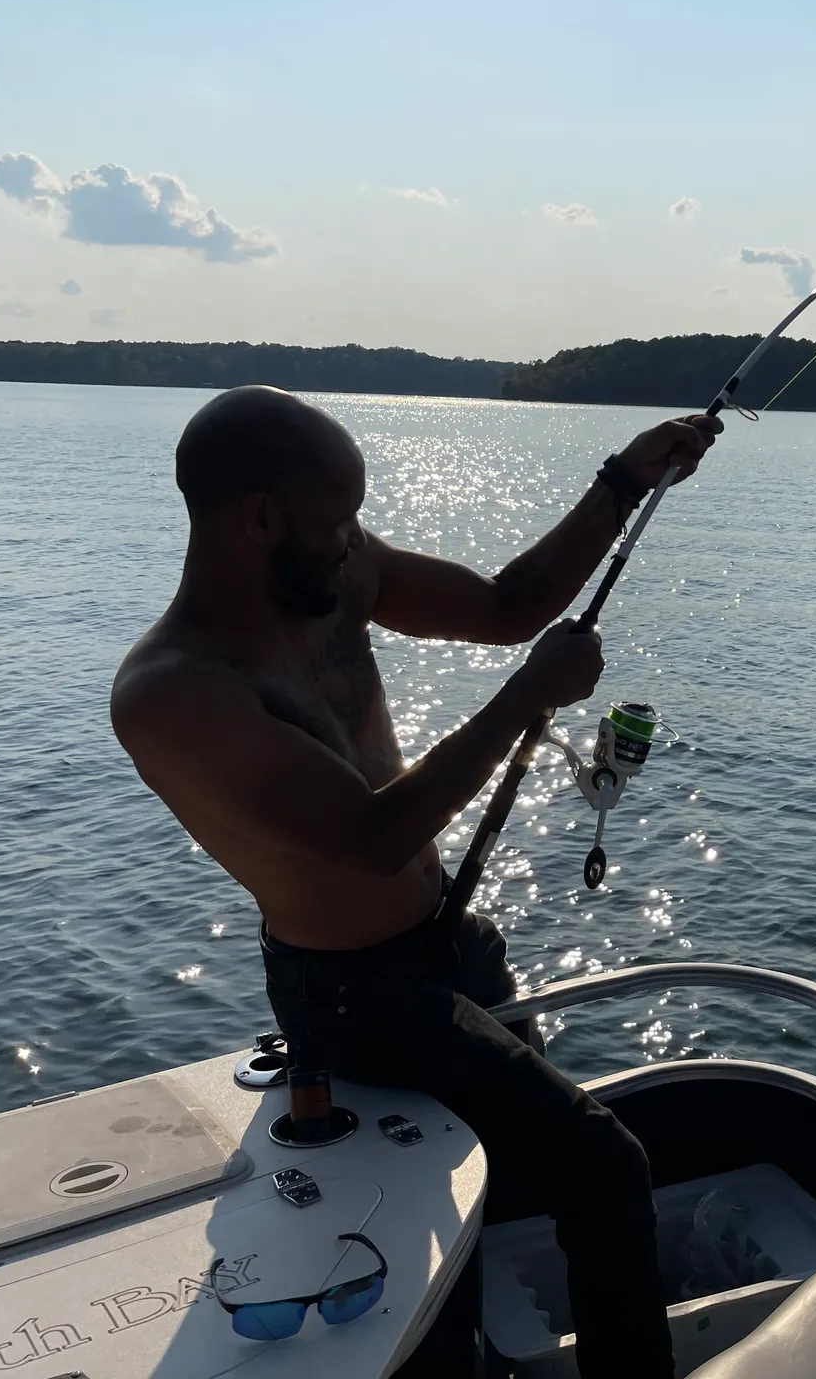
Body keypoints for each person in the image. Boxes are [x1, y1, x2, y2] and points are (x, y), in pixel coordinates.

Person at [111, 385, 719, 1376]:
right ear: (257, 518)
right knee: (606, 1165)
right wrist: (526, 699)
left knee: (502, 1186)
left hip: (449, 940)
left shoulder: (336, 574)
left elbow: (508, 607)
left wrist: (623, 480)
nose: (357, 542)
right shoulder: (176, 692)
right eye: (337, 521)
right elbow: (369, 836)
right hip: (357, 996)